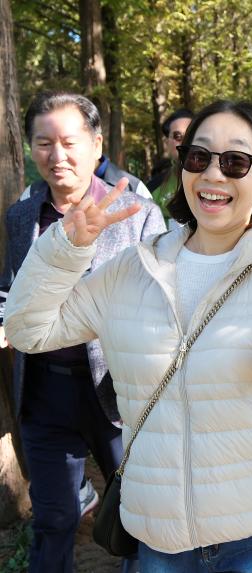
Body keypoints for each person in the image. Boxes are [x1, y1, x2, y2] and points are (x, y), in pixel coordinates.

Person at [5, 100, 252, 573]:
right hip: (158, 537)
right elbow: (28, 330)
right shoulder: (133, 268)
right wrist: (65, 248)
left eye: (235, 161)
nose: (213, 174)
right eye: (199, 157)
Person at [0, 91, 165, 573]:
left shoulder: (137, 213)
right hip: (43, 389)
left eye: (69, 142)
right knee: (53, 518)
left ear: (96, 145)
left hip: (117, 389)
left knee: (140, 513)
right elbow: (12, 288)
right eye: (43, 143)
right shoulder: (21, 216)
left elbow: (159, 301)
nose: (57, 156)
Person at [148, 108, 194, 218]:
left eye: (190, 136)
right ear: (167, 143)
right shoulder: (152, 188)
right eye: (178, 136)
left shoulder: (216, 180)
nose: (184, 142)